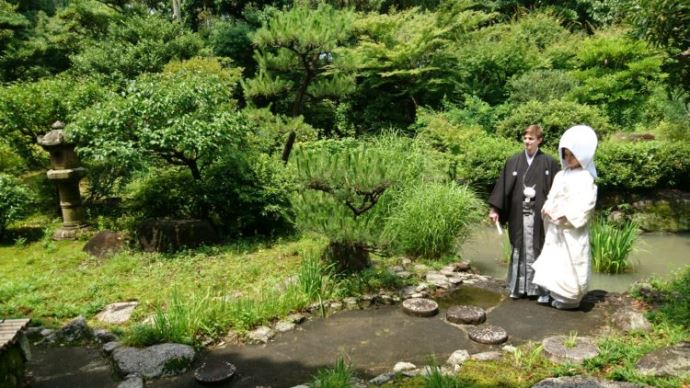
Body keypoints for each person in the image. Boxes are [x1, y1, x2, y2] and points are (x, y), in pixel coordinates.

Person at [488, 124, 560, 301]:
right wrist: (494, 208)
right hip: (517, 214)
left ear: (539, 140)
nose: (527, 142)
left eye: (531, 139)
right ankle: (517, 288)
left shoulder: (549, 163)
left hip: (540, 215)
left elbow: (558, 191)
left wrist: (556, 210)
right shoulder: (513, 161)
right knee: (518, 247)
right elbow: (503, 188)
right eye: (525, 138)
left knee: (539, 248)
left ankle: (540, 290)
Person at [531, 125, 598, 310]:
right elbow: (552, 196)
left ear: (582, 156)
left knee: (571, 262)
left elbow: (587, 204)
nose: (568, 159)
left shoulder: (586, 177)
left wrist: (566, 215)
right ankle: (556, 294)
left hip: (571, 229)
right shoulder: (560, 175)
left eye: (572, 155)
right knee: (555, 261)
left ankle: (570, 299)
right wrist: (547, 208)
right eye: (566, 154)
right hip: (555, 227)